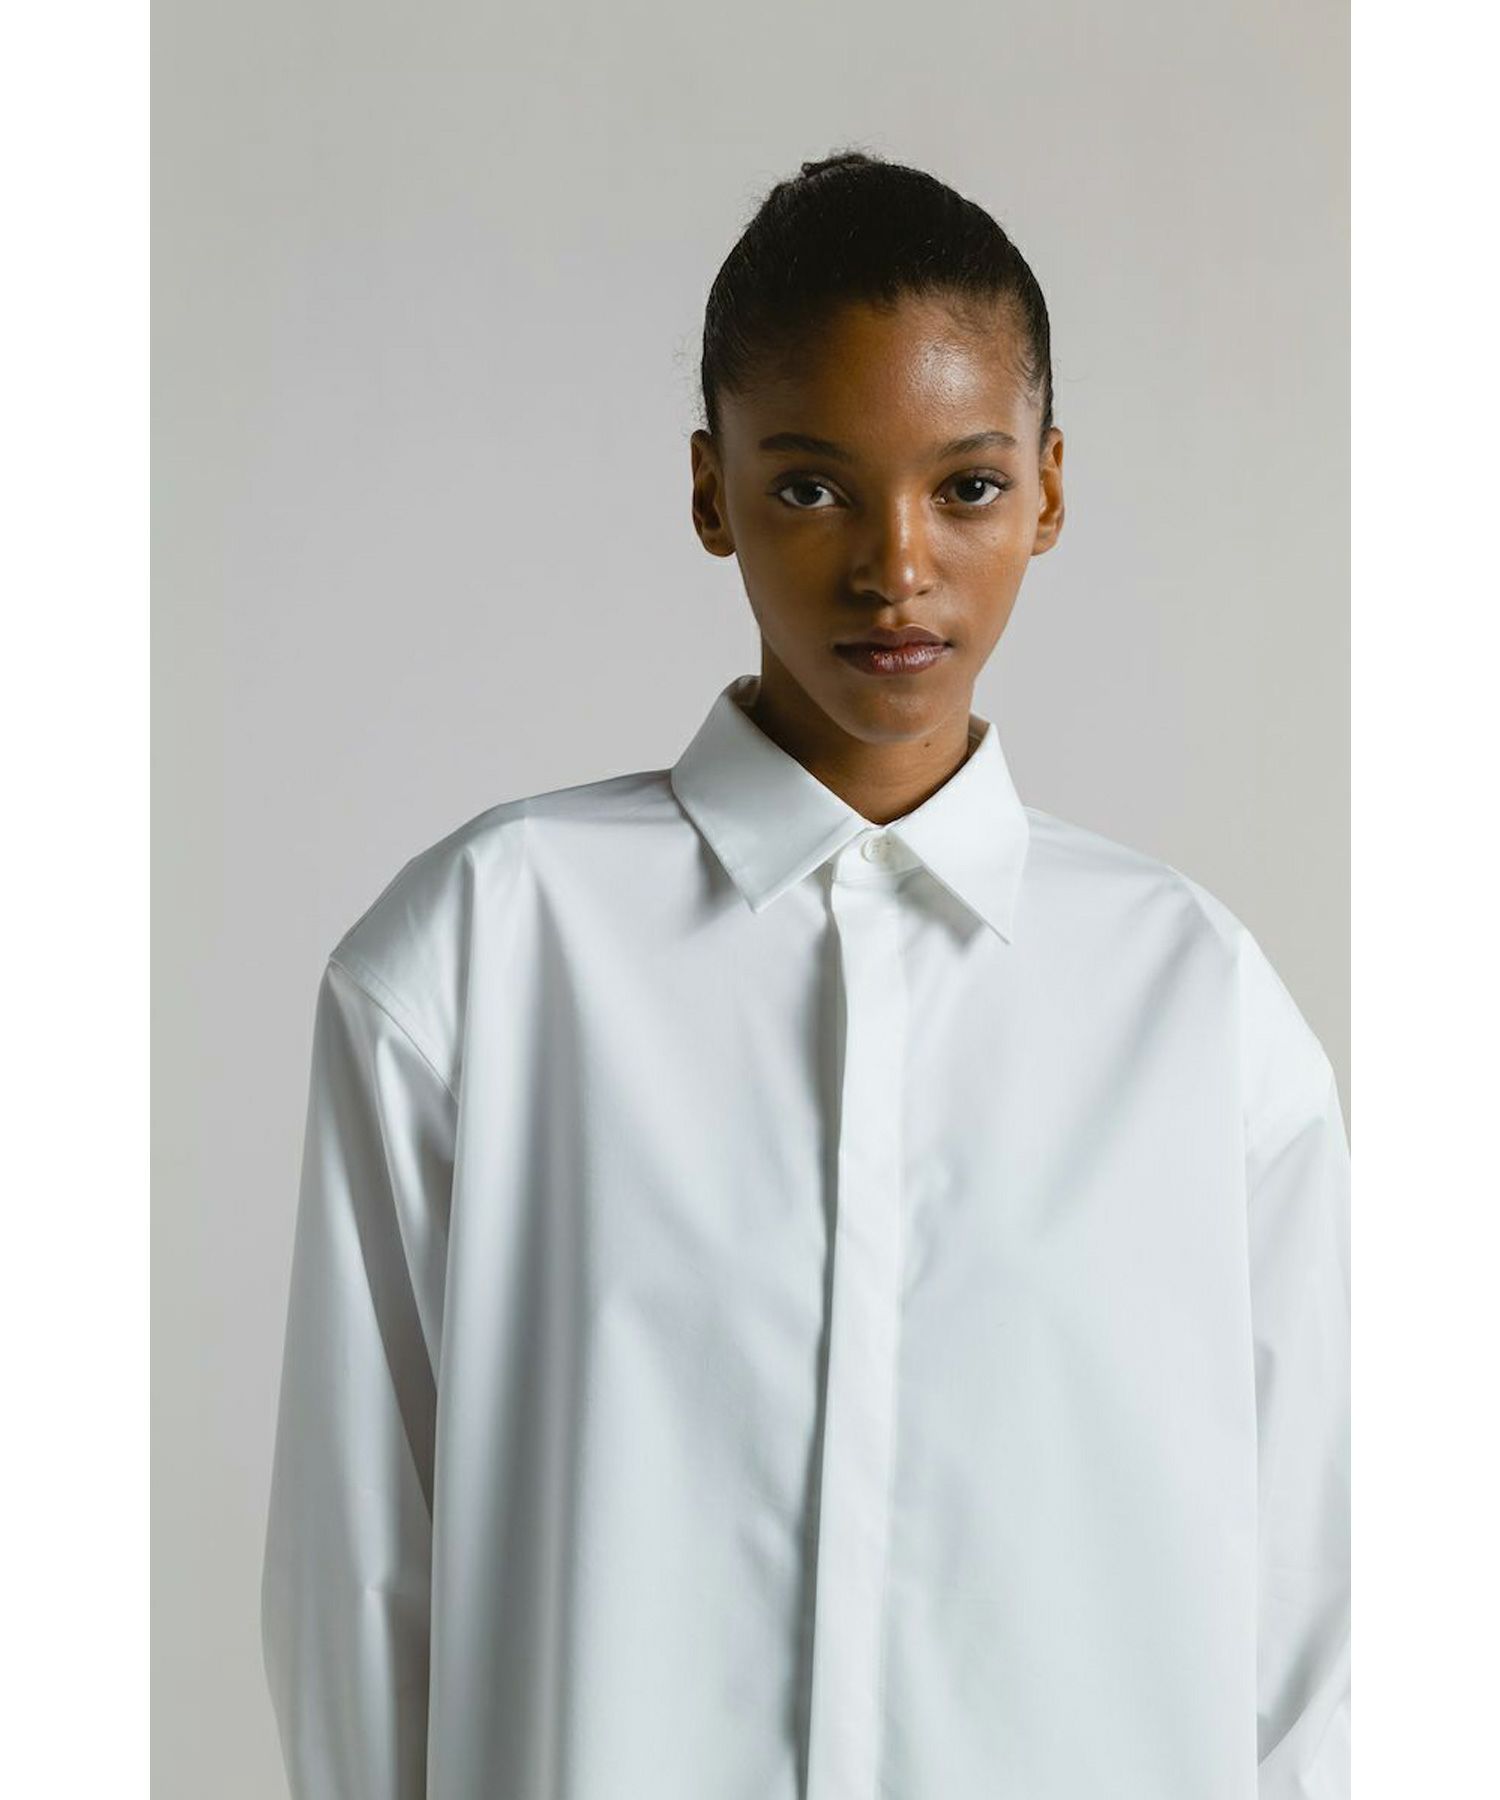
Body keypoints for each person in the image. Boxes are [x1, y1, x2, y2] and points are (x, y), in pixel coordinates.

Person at [261, 150, 1350, 1799]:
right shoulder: (478, 960)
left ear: (1050, 489)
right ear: (713, 492)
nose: (896, 566)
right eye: (814, 488)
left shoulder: (1199, 1009)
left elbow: (1316, 1632)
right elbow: (358, 1589)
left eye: (966, 487)